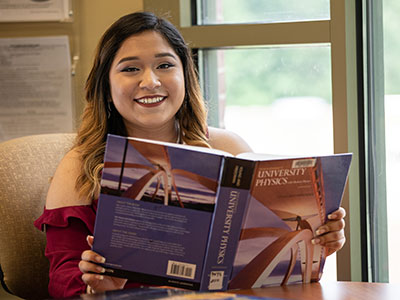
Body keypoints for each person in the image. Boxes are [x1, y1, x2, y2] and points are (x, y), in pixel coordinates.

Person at [34, 11, 346, 298]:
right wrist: (97, 285)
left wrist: (319, 243)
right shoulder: (80, 164)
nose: (150, 81)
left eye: (165, 65)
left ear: (185, 74)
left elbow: (271, 267)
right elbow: (60, 279)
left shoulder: (230, 148)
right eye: (130, 69)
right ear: (106, 84)